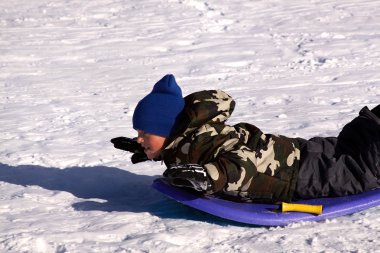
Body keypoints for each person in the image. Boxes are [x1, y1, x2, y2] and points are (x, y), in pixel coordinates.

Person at [111, 74, 380, 203]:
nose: (140, 139)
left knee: (364, 166)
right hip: (300, 154)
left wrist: (210, 176)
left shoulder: (206, 141)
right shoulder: (188, 138)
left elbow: (242, 163)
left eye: (145, 133)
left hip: (306, 175)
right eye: (139, 134)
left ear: (169, 131)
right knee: (360, 135)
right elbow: (181, 152)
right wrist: (148, 148)